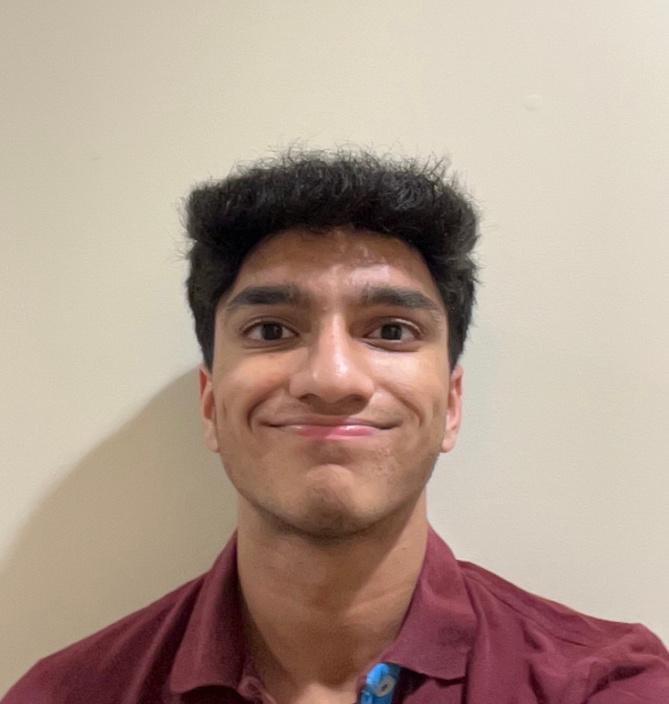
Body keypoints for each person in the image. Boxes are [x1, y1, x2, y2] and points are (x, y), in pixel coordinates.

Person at [3, 150, 668, 704]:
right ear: (210, 406)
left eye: (390, 331)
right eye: (271, 330)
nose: (332, 377)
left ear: (451, 405)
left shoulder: (606, 686)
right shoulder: (62, 695)